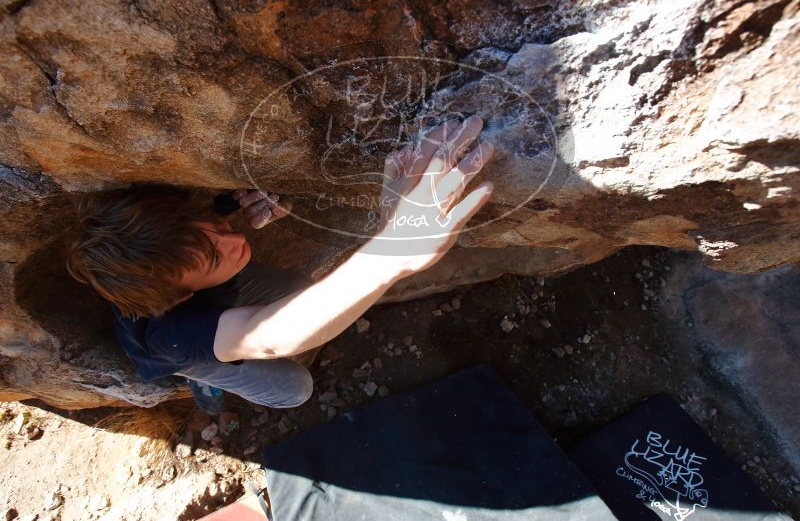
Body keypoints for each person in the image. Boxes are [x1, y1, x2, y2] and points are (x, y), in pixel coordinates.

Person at [65, 115, 495, 414]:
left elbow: (213, 222)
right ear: (182, 292)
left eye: (217, 224)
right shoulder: (170, 337)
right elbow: (274, 337)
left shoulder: (175, 238)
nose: (236, 239)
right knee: (294, 388)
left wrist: (248, 201)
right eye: (216, 254)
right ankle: (206, 377)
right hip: (190, 344)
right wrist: (392, 250)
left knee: (303, 291)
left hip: (209, 296)